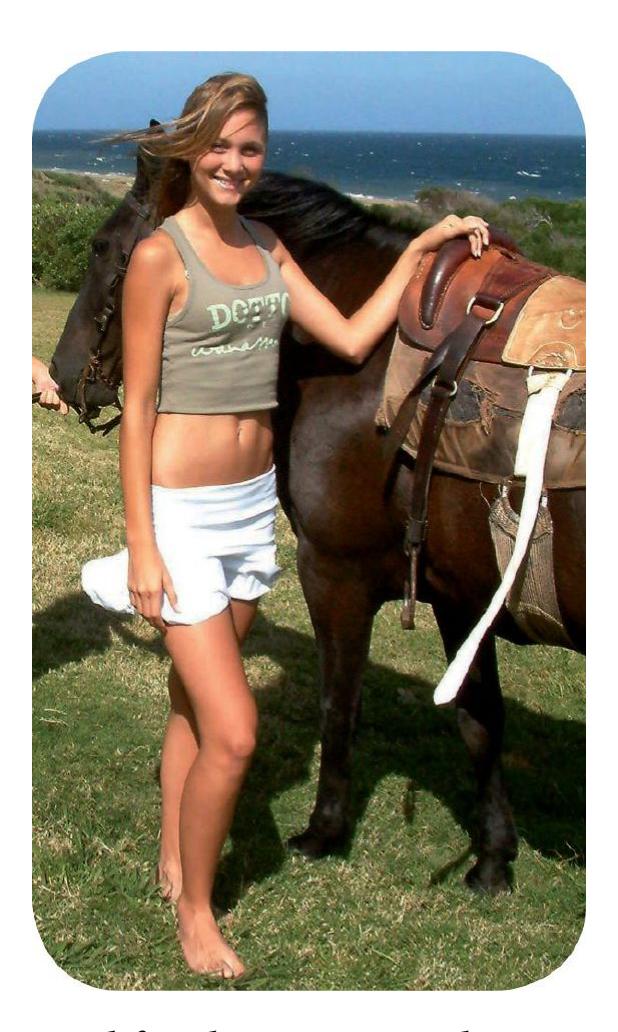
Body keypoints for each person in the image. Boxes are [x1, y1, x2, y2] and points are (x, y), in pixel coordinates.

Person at [81, 72, 489, 979]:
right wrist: (142, 542)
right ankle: (197, 913)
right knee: (235, 731)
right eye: (220, 147)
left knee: (193, 703)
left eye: (251, 148)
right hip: (182, 516)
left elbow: (347, 336)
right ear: (192, 150)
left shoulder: (267, 246)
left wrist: (420, 248)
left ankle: (172, 842)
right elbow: (139, 407)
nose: (235, 163)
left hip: (247, 509)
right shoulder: (160, 257)